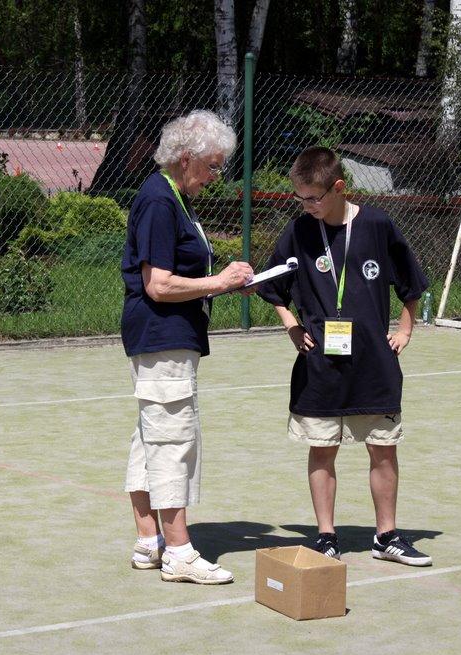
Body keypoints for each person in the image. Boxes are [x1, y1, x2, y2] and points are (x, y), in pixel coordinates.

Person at [257, 146, 433, 567]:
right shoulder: (299, 231)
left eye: (313, 198)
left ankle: (386, 535)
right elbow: (272, 287)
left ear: (339, 187)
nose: (306, 205)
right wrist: (292, 326)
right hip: (320, 366)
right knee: (322, 449)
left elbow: (411, 283)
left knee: (383, 449)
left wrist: (405, 329)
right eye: (300, 198)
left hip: (373, 365)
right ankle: (326, 536)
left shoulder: (377, 225)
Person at [121, 110, 255, 584]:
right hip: (163, 337)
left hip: (167, 338)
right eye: (212, 166)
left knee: (151, 436)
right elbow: (157, 284)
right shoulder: (160, 200)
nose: (215, 176)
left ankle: (149, 541)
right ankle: (179, 552)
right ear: (184, 158)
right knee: (173, 439)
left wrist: (222, 283)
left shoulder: (173, 196)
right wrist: (218, 282)